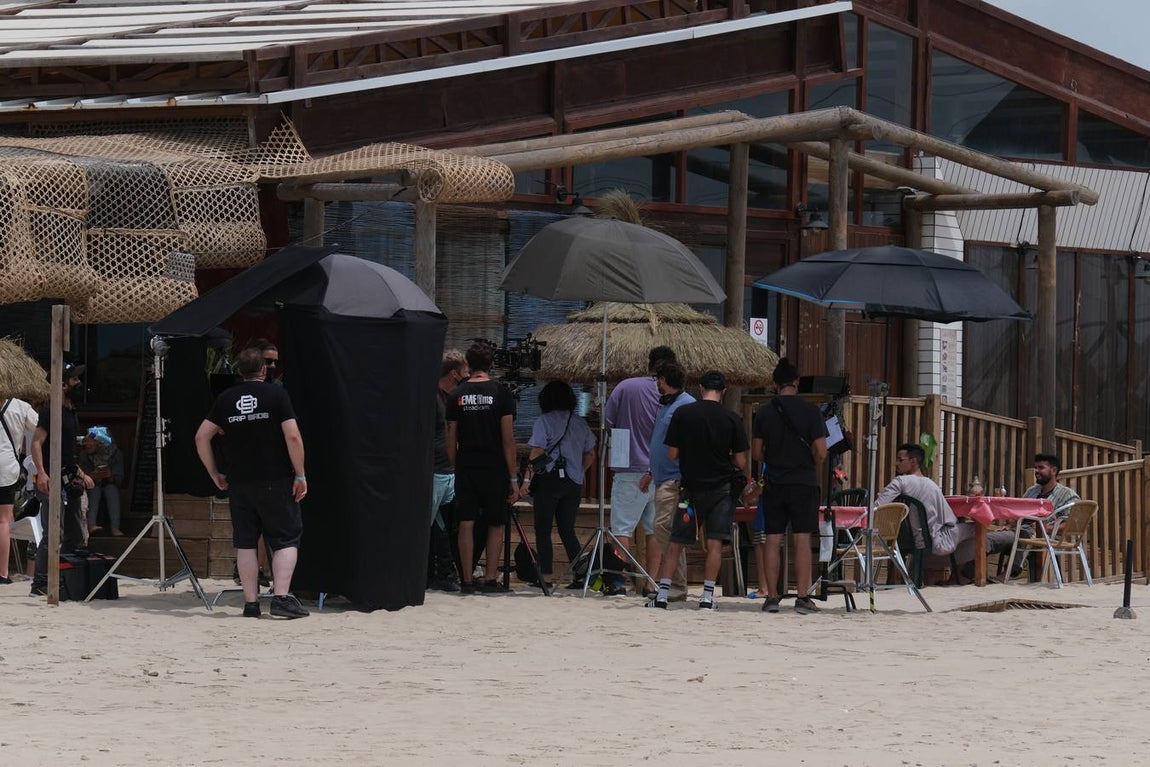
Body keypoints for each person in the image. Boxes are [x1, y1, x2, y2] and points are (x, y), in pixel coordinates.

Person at [194, 347, 309, 619]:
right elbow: (292, 436)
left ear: (239, 371)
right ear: (263, 370)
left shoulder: (225, 398)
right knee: (285, 539)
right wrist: (301, 474)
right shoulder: (277, 395)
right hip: (275, 479)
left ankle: (251, 604)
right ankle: (281, 597)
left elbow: (201, 437)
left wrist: (214, 473)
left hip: (240, 483)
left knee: (245, 542)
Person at [648, 370, 749, 610]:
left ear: (701, 389)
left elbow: (672, 453)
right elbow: (741, 462)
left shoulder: (683, 414)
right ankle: (706, 597)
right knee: (715, 544)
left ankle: (662, 595)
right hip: (721, 491)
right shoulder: (732, 419)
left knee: (676, 542)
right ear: (723, 391)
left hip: (690, 490)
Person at [751, 358, 828, 615]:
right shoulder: (811, 411)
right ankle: (803, 597)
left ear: (775, 383)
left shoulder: (763, 412)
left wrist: (775, 459)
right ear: (796, 381)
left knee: (773, 538)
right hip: (803, 481)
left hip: (774, 480)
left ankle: (772, 597)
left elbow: (756, 452)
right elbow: (821, 451)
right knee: (802, 538)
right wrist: (808, 463)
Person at [445, 341, 519, 594]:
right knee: (496, 522)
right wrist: (513, 477)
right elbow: (508, 439)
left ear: (469, 364)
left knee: (466, 521)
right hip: (494, 466)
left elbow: (450, 439)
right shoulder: (501, 393)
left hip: (466, 464)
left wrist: (457, 465)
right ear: (490, 364)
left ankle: (466, 579)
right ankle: (489, 578)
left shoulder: (456, 394)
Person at [603, 345, 676, 594]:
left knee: (622, 527)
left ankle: (617, 581)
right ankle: (651, 583)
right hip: (661, 470)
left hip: (629, 465)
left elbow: (607, 420)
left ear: (649, 364)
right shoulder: (675, 395)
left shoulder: (626, 386)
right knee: (654, 530)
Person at [523, 381, 596, 587]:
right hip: (573, 482)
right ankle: (581, 576)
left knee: (543, 530)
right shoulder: (579, 423)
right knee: (567, 530)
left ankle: (545, 577)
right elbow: (590, 452)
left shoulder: (544, 421)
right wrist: (579, 471)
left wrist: (526, 480)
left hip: (549, 480)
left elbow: (537, 452)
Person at [29, 362, 92, 597]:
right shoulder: (51, 408)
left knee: (75, 533)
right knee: (52, 532)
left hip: (70, 476)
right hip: (52, 478)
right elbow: (36, 442)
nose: (78, 383)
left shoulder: (70, 409)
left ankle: (64, 575)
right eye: (74, 379)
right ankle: (40, 583)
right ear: (62, 384)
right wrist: (42, 473)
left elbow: (68, 450)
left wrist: (82, 474)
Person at [874, 442, 973, 582]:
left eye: (900, 460)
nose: (896, 463)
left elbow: (877, 507)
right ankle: (961, 576)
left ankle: (950, 574)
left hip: (904, 540)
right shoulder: (931, 486)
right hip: (933, 542)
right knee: (978, 529)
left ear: (913, 461)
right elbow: (949, 520)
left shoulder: (899, 483)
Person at [642, 360, 693, 601]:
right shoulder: (665, 405)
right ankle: (676, 583)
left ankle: (676, 583)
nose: (656, 384)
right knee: (666, 529)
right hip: (661, 477)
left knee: (663, 527)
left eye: (657, 380)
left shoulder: (687, 405)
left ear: (663, 381)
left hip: (676, 478)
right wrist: (650, 472)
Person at [428, 349, 469, 592]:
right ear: (454, 374)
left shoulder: (449, 399)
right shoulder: (432, 398)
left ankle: (443, 572)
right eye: (465, 374)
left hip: (448, 471)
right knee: (431, 525)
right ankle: (431, 572)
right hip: (435, 470)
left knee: (443, 526)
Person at [0, 397, 38, 584]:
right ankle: (2, 573)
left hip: (6, 468)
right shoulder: (20, 407)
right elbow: (41, 429)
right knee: (3, 521)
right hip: (6, 467)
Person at [78, 426, 124, 536]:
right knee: (94, 490)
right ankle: (91, 524)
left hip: (109, 485)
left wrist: (109, 475)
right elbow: (79, 477)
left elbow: (120, 478)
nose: (86, 444)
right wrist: (90, 476)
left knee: (111, 490)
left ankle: (115, 527)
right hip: (92, 487)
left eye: (91, 441)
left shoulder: (115, 454)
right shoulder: (84, 456)